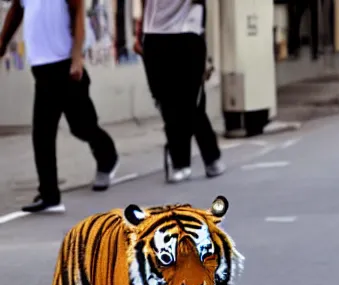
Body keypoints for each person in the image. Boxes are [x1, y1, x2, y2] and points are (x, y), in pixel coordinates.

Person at [0, 0, 119, 214]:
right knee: (42, 133)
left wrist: (76, 57)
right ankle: (50, 196)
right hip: (41, 67)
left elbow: (78, 11)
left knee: (82, 125)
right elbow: (17, 9)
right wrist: (2, 44)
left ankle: (108, 157)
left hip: (65, 65)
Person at [131, 0, 225, 183]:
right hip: (155, 34)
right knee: (166, 104)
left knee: (190, 103)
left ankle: (210, 157)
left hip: (187, 32)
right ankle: (181, 162)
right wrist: (139, 31)